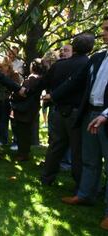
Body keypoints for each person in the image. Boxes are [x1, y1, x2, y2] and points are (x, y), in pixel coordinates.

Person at [49, 16, 108, 230]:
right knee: (89, 160)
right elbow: (76, 81)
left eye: (107, 29)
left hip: (106, 116)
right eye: (103, 28)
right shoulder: (98, 58)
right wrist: (53, 96)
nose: (103, 33)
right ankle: (84, 195)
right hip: (91, 114)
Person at [39, 34, 95, 189]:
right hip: (77, 113)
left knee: (55, 146)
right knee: (78, 150)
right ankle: (80, 185)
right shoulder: (90, 65)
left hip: (58, 111)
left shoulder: (59, 65)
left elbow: (44, 81)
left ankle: (47, 177)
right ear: (90, 48)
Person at [11, 59, 45, 161]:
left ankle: (22, 154)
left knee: (22, 132)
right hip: (32, 107)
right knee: (27, 131)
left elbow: (22, 93)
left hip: (24, 108)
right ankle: (25, 151)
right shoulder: (40, 79)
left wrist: (13, 96)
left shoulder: (31, 80)